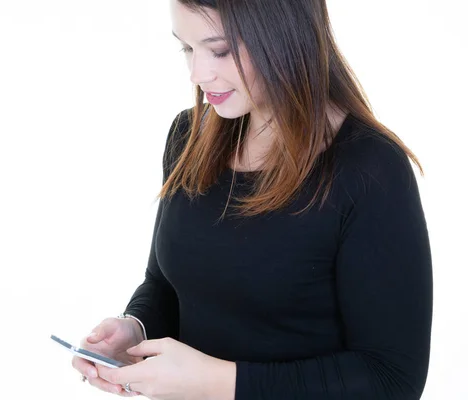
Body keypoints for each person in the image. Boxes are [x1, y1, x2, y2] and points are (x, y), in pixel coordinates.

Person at [71, 0, 433, 399]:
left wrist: (218, 381)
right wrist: (135, 329)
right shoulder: (187, 137)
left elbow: (392, 380)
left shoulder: (370, 169)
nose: (197, 73)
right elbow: (166, 285)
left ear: (283, 34)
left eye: (219, 50)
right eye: (187, 48)